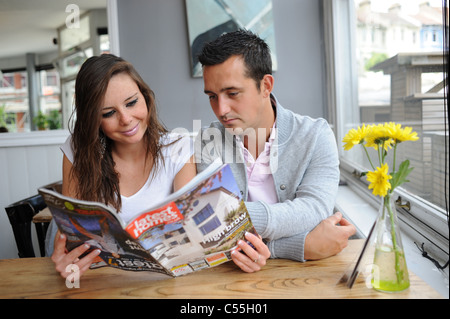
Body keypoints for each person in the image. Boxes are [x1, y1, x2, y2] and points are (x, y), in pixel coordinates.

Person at [195, 30, 356, 268]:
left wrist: (255, 237)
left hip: (308, 276)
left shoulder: (315, 135)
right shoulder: (208, 140)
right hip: (234, 281)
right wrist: (301, 246)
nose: (221, 110)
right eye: (212, 96)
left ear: (265, 86)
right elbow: (209, 229)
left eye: (232, 93)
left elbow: (314, 209)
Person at [48, 54, 198, 279]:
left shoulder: (179, 147)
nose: (126, 119)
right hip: (102, 282)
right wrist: (69, 263)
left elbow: (187, 236)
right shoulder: (78, 151)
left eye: (131, 102)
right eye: (108, 113)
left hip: (164, 281)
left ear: (145, 97)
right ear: (93, 120)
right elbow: (74, 243)